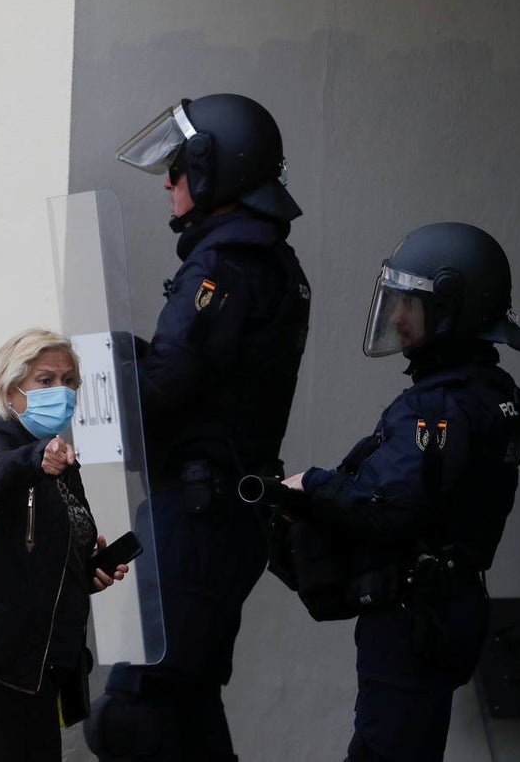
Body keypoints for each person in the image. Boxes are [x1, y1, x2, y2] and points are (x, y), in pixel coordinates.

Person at [85, 93, 312, 762]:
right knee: (185, 707)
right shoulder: (266, 261)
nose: (167, 182)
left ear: (214, 173)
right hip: (219, 513)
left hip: (197, 514)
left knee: (134, 715)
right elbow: (204, 374)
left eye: (179, 168)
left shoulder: (223, 266)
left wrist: (91, 381)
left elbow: (168, 382)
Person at [280, 222, 520, 762]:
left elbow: (391, 506)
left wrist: (312, 486)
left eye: (410, 304)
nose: (397, 317)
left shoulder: (436, 407)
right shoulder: (497, 396)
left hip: (412, 616)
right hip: (451, 605)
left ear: (451, 310)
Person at [0, 327, 129, 762]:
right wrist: (36, 459)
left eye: (69, 381)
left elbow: (36, 562)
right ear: (9, 389)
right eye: (45, 380)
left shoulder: (62, 462)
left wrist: (88, 572)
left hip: (37, 659)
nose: (62, 392)